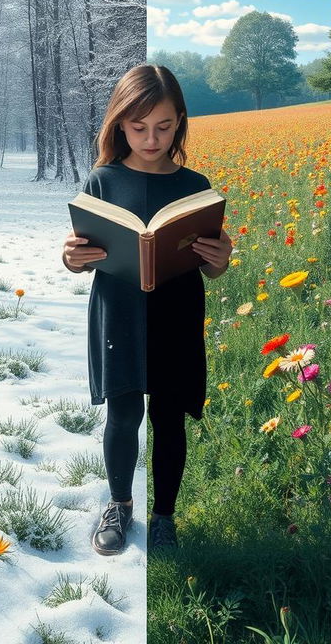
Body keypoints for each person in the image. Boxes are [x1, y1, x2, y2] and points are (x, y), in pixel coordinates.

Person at [62, 64, 232, 555]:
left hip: (176, 314)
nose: (151, 138)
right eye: (139, 128)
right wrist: (70, 258)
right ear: (119, 123)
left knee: (169, 416)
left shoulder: (196, 185)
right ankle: (118, 504)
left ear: (180, 120)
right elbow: (80, 253)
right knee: (123, 412)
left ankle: (164, 516)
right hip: (118, 313)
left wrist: (221, 260)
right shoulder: (102, 180)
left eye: (164, 126)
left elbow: (211, 266)